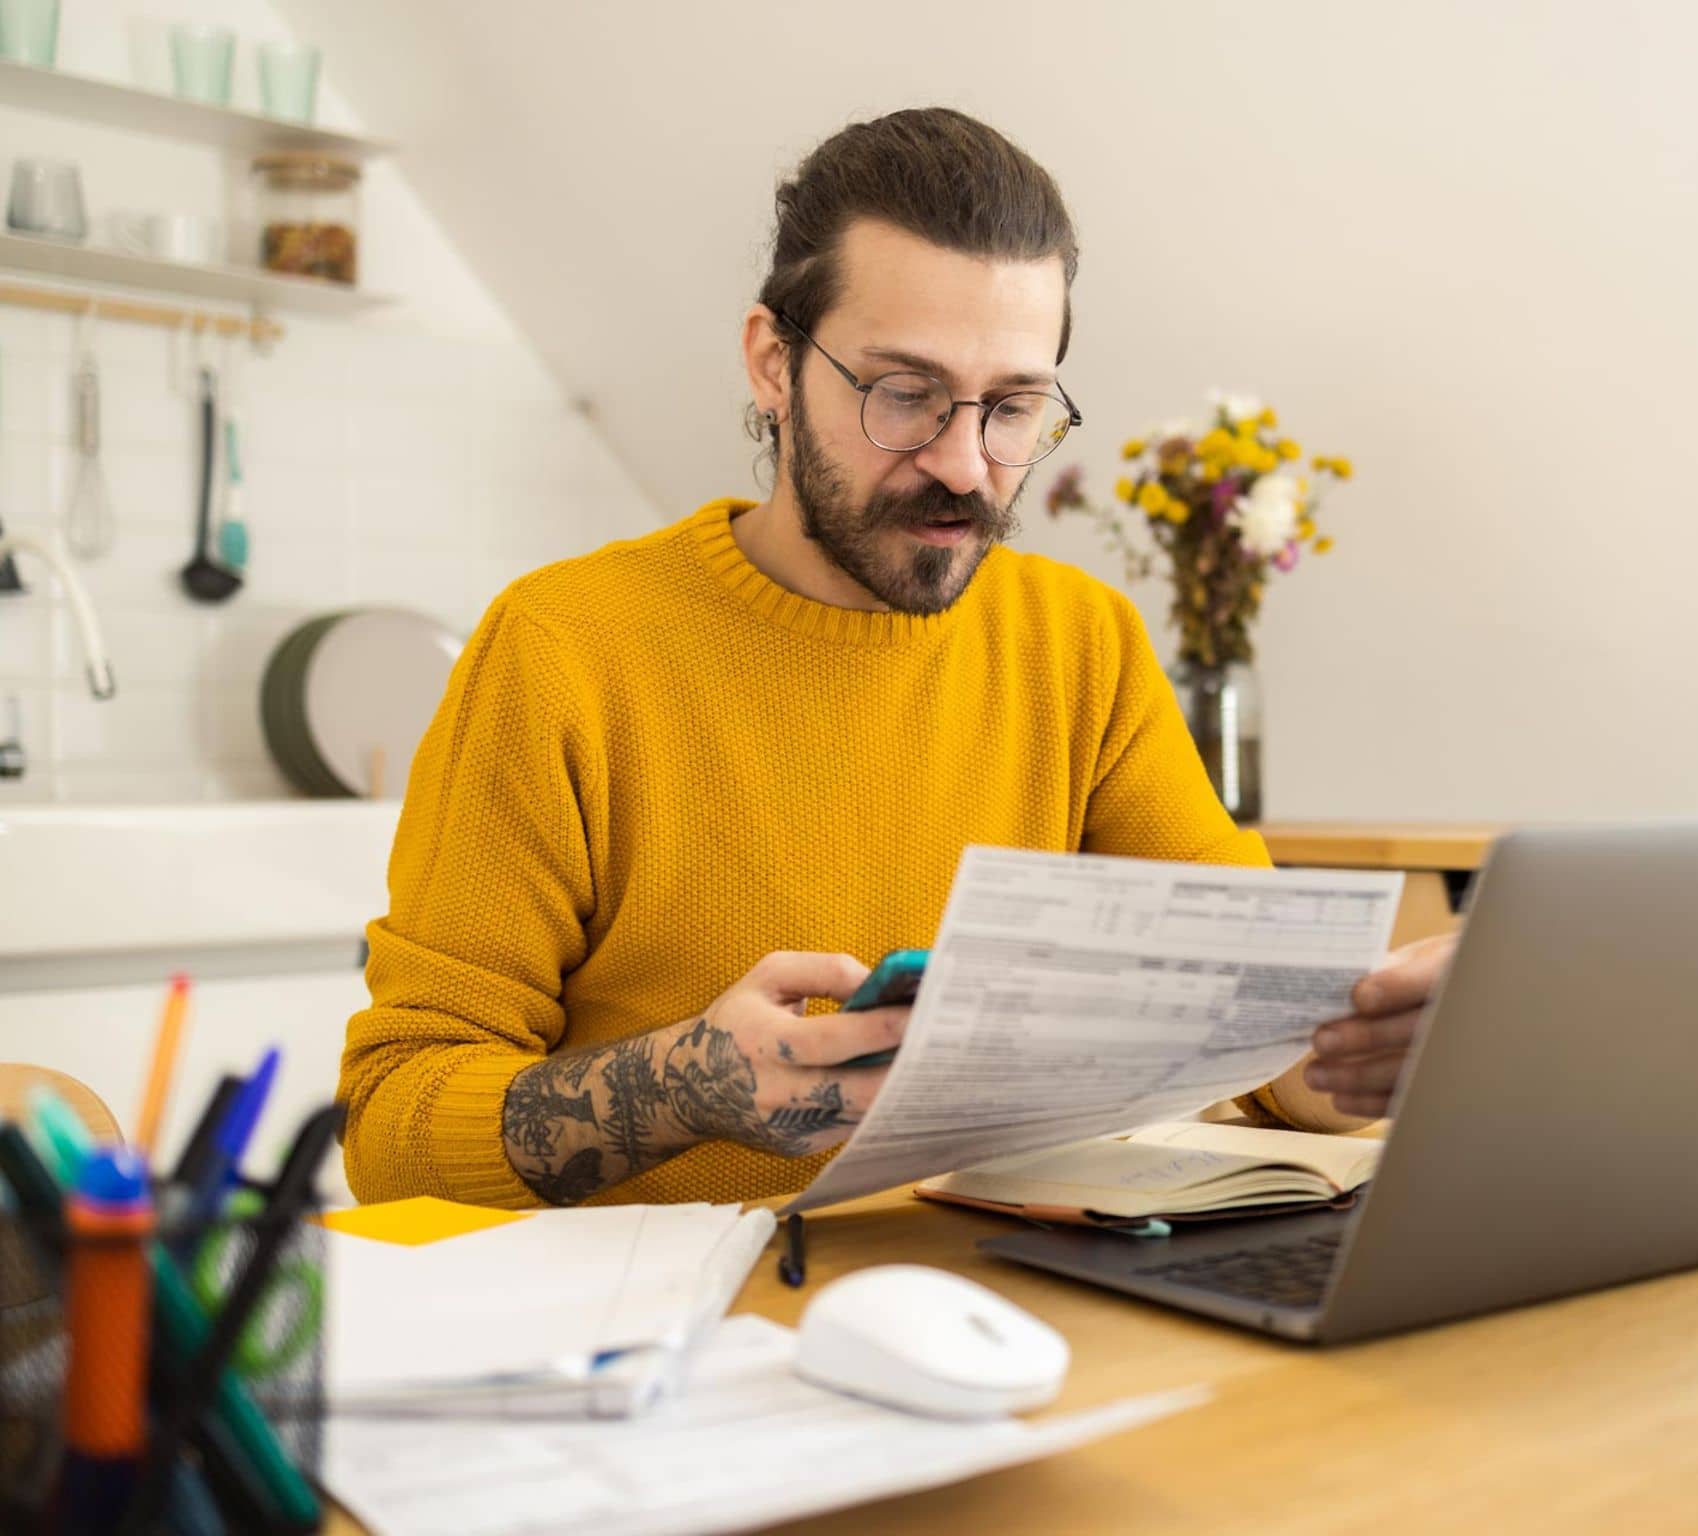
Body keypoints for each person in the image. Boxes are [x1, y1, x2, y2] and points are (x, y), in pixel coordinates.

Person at [337, 107, 1452, 1209]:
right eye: (905, 395)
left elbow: (1262, 1059)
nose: (965, 466)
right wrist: (681, 1087)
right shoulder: (561, 651)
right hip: (686, 1343)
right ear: (773, 363)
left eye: (1012, 407)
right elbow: (390, 1128)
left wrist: (1374, 1043)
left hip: (1008, 1314)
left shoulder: (1081, 644)